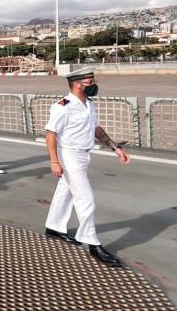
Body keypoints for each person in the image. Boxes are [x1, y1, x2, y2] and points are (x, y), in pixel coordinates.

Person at [44, 68, 131, 267]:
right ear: (77, 84)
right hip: (70, 156)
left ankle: (54, 227)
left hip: (85, 154)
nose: (94, 84)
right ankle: (93, 244)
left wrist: (115, 148)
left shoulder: (89, 104)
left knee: (64, 191)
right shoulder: (62, 106)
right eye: (90, 81)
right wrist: (54, 161)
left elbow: (96, 129)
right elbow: (50, 133)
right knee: (86, 199)